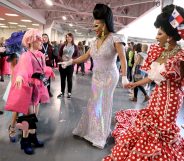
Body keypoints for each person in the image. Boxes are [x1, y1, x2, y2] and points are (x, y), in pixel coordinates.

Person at [103, 4, 184, 161]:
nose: (156, 36)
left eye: (160, 33)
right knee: (148, 126)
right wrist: (136, 84)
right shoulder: (159, 51)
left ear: (170, 36)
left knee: (161, 132)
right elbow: (154, 76)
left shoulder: (180, 57)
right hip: (157, 96)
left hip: (171, 101)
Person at [61, 3, 128, 149]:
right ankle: (89, 130)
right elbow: (85, 56)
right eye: (94, 25)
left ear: (104, 24)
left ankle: (100, 135)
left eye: (97, 25)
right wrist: (71, 61)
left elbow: (123, 58)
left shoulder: (116, 38)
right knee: (93, 103)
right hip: (97, 76)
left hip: (110, 76)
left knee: (103, 104)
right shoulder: (95, 41)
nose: (94, 28)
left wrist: (125, 76)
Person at [5, 29, 50, 155]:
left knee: (33, 117)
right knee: (27, 117)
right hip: (28, 88)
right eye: (38, 39)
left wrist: (48, 71)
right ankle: (24, 141)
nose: (42, 41)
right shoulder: (26, 56)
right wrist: (20, 76)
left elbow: (42, 68)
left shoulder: (40, 54)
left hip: (38, 88)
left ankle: (33, 137)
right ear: (30, 41)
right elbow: (23, 69)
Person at [57, 33, 78, 99]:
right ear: (66, 38)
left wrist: (72, 60)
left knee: (69, 79)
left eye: (70, 37)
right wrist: (62, 61)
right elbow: (59, 55)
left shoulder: (75, 46)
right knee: (62, 79)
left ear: (72, 38)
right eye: (67, 37)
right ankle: (62, 92)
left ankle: (69, 93)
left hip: (70, 65)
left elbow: (76, 56)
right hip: (63, 65)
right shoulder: (63, 45)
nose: (68, 38)